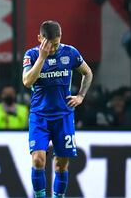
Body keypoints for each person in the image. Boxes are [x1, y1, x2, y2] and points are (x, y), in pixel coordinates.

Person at [22, 20, 93, 198]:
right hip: (39, 116)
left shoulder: (70, 52)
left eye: (56, 44)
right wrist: (42, 57)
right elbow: (27, 81)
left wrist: (81, 96)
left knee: (61, 164)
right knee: (38, 159)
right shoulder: (31, 55)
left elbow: (87, 73)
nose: (53, 48)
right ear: (39, 38)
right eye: (49, 44)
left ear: (60, 38)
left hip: (64, 116)